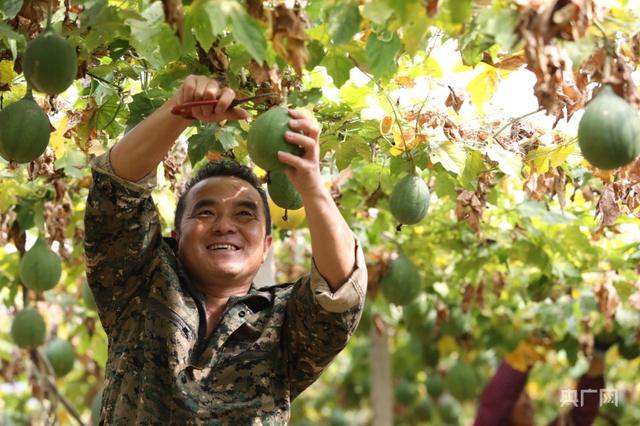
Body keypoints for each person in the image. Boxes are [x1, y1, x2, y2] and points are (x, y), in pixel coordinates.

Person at [83, 75, 367, 424]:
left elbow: (340, 291)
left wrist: (311, 185)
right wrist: (179, 110)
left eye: (245, 214)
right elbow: (115, 189)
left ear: (266, 247)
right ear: (176, 235)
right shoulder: (139, 285)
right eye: (205, 211)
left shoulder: (281, 326)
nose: (224, 224)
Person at [473, 338, 610, 426]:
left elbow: (580, 418)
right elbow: (497, 399)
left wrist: (598, 356)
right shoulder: (489, 418)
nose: (529, 405)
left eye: (528, 397)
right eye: (522, 397)